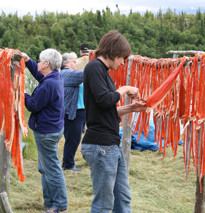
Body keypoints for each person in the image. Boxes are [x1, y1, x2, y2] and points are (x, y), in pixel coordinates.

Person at [80, 31, 147, 213]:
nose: (123, 62)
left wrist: (131, 109)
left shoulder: (103, 72)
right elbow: (104, 100)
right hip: (101, 145)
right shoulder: (94, 67)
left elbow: (106, 110)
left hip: (111, 146)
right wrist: (125, 88)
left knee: (123, 199)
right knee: (104, 204)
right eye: (123, 58)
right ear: (115, 52)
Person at [22, 49, 68, 213]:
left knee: (52, 168)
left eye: (40, 61)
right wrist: (28, 61)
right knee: (45, 167)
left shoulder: (49, 84)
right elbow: (38, 74)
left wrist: (21, 92)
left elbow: (33, 105)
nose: (39, 63)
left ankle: (60, 205)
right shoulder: (54, 77)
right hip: (52, 129)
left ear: (47, 64)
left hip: (46, 133)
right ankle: (49, 202)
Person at [60, 52, 85, 172]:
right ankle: (68, 165)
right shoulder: (67, 73)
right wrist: (98, 64)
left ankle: (69, 162)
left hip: (78, 110)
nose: (76, 64)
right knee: (73, 139)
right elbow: (85, 74)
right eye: (74, 62)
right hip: (73, 112)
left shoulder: (71, 74)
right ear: (65, 64)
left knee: (75, 138)